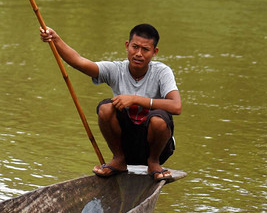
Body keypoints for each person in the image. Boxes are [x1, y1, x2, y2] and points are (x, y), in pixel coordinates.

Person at [40, 23, 181, 180]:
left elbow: (176, 106)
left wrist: (135, 99)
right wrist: (56, 39)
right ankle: (119, 160)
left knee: (159, 121)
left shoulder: (162, 72)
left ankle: (153, 163)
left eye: (145, 49)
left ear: (154, 52)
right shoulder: (116, 70)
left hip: (156, 147)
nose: (138, 54)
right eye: (135, 47)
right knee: (105, 108)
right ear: (127, 46)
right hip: (126, 144)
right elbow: (79, 62)